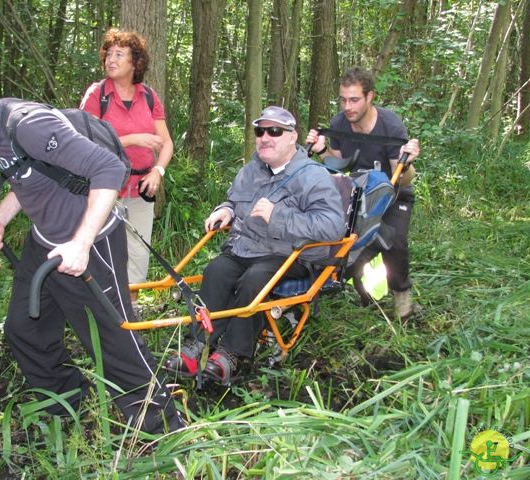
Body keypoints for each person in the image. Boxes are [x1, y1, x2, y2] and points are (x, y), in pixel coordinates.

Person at [0, 65, 184, 434]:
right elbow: (29, 179)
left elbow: (108, 168)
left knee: (114, 343)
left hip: (90, 244)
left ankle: (167, 429)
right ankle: (68, 404)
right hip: (45, 244)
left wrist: (81, 243)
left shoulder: (28, 125)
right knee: (25, 329)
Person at [164, 106, 346, 385]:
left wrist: (278, 216)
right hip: (246, 247)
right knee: (217, 271)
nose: (265, 137)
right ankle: (197, 346)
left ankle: (234, 355)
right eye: (260, 131)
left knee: (255, 280)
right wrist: (226, 210)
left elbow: (332, 226)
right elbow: (235, 201)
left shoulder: (313, 176)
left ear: (292, 137)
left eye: (275, 131)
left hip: (289, 254)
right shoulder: (251, 171)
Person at [305, 67, 421, 319]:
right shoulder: (339, 123)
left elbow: (402, 177)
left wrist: (408, 162)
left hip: (394, 194)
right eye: (343, 99)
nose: (347, 106)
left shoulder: (390, 125)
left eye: (354, 99)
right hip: (359, 195)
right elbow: (339, 163)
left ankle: (402, 297)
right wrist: (322, 149)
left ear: (370, 97)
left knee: (393, 241)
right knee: (349, 248)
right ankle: (364, 294)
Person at [80, 28, 173, 317]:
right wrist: (133, 140)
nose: (111, 59)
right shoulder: (97, 94)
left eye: (120, 54)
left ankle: (129, 312)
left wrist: (158, 170)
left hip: (143, 187)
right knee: (106, 249)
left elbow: (166, 142)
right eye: (108, 54)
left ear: (135, 63)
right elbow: (83, 141)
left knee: (138, 251)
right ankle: (103, 308)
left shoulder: (148, 96)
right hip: (107, 188)